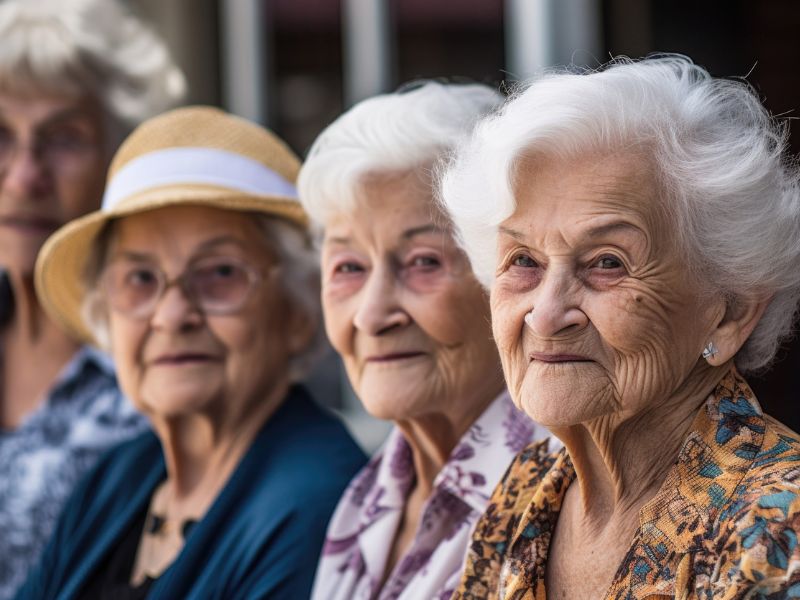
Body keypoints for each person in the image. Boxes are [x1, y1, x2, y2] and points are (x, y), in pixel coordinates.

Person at [439, 55, 800, 598]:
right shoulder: (526, 489)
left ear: (729, 312)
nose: (546, 314)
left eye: (607, 263)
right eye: (523, 261)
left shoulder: (779, 529)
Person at [15, 106, 366, 599]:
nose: (172, 315)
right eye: (139, 279)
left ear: (298, 311)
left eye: (220, 274)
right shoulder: (120, 476)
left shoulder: (316, 500)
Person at [297, 81, 555, 600]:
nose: (372, 315)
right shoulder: (371, 493)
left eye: (423, 263)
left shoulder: (557, 502)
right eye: (348, 267)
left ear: (507, 276)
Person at [0, 0, 185, 595]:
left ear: (119, 158)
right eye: (0, 136)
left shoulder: (167, 359)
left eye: (64, 140)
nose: (25, 176)